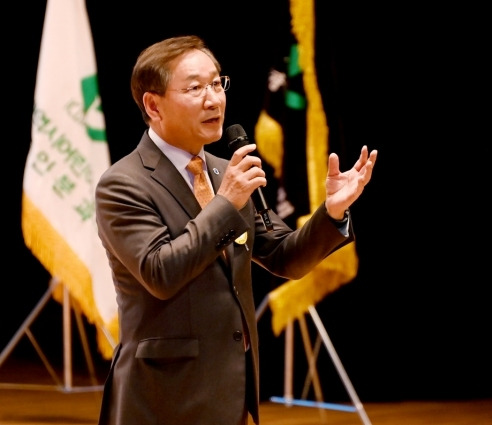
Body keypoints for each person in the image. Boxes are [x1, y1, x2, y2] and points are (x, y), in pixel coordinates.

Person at [95, 35, 377, 425]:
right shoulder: (123, 184)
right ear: (153, 105)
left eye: (216, 83)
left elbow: (283, 256)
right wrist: (226, 204)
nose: (214, 99)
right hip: (161, 398)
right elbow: (160, 273)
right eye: (195, 88)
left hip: (231, 394)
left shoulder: (224, 172)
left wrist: (331, 212)